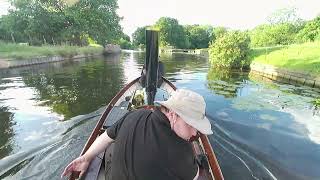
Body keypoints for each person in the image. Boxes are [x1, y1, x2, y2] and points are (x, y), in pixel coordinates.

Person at [61, 89, 213, 180]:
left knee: (113, 146)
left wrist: (86, 158)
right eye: (191, 125)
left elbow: (106, 137)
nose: (194, 133)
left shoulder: (134, 115)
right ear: (173, 115)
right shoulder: (182, 151)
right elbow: (195, 176)